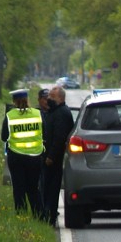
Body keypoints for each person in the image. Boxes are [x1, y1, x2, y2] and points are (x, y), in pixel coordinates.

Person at [1, 89, 45, 218]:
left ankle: (22, 217)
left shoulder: (10, 116)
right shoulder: (38, 114)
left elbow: (4, 137)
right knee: (33, 189)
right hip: (35, 157)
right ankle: (40, 217)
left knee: (19, 189)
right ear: (27, 100)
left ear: (14, 101)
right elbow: (45, 133)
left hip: (16, 157)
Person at [41, 85, 75, 226]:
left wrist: (51, 157)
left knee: (51, 189)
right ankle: (47, 214)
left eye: (52, 97)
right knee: (46, 188)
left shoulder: (61, 113)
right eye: (48, 96)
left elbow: (59, 138)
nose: (48, 99)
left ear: (60, 98)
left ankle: (50, 216)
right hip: (49, 156)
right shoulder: (54, 112)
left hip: (53, 159)